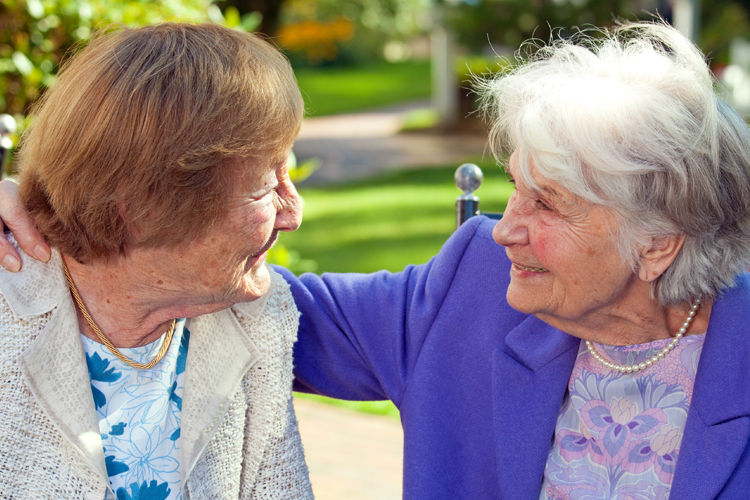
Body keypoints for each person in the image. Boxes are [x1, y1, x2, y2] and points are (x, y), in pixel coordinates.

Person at [4, 21, 750, 500]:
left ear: (657, 243)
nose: (503, 230)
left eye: (547, 205)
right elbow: (176, 279)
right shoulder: (475, 289)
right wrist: (54, 204)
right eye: (514, 189)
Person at [0, 23, 313, 499]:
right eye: (266, 185)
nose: (293, 213)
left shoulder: (256, 318)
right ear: (145, 208)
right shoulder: (11, 316)